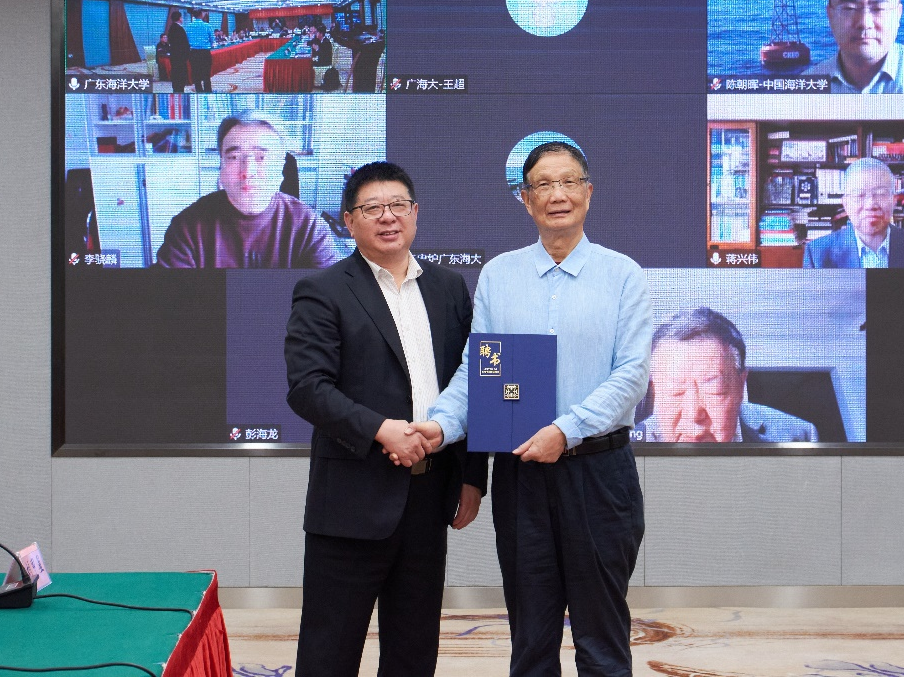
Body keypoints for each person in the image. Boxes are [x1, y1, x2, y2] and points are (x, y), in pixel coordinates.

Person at [419, 141, 652, 677]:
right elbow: (480, 374)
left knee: (602, 640)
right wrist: (440, 425)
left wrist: (565, 431)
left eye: (568, 181)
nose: (557, 195)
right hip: (521, 476)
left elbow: (631, 375)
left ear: (588, 192)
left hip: (599, 475)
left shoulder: (623, 275)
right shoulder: (499, 276)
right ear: (525, 200)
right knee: (530, 639)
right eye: (543, 185)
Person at [284, 162, 487, 677]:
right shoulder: (323, 289)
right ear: (349, 221)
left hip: (429, 496)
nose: (388, 217)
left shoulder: (449, 288)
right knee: (329, 655)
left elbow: (471, 381)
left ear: (415, 213)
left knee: (413, 652)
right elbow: (308, 389)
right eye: (372, 208)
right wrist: (380, 429)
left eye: (398, 205)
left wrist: (471, 475)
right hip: (351, 502)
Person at [155, 115, 338, 269]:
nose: (248, 171)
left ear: (281, 166)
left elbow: (330, 296)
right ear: (221, 167)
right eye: (234, 157)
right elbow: (171, 296)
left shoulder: (309, 227)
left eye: (262, 157)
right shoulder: (187, 227)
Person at [634, 308, 818, 443]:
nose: (693, 414)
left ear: (741, 386)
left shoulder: (798, 436)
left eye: (713, 390)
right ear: (655, 389)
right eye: (675, 390)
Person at [803, 157, 904, 268]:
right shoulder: (817, 254)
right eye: (859, 195)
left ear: (894, 201)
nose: (870, 205)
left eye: (881, 194)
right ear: (846, 204)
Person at [185, 9, 214, 92]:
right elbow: (212, 39)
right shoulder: (207, 26)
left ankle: (199, 91)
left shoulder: (189, 26)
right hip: (205, 53)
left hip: (193, 53)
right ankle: (208, 91)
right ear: (201, 15)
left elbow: (187, 39)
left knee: (195, 73)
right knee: (206, 74)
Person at [165, 10, 191, 94]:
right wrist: (187, 55)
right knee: (181, 76)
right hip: (180, 57)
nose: (182, 19)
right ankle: (180, 92)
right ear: (179, 18)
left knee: (175, 74)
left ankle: (176, 90)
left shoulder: (171, 28)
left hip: (174, 56)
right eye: (181, 17)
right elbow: (184, 44)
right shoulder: (180, 29)